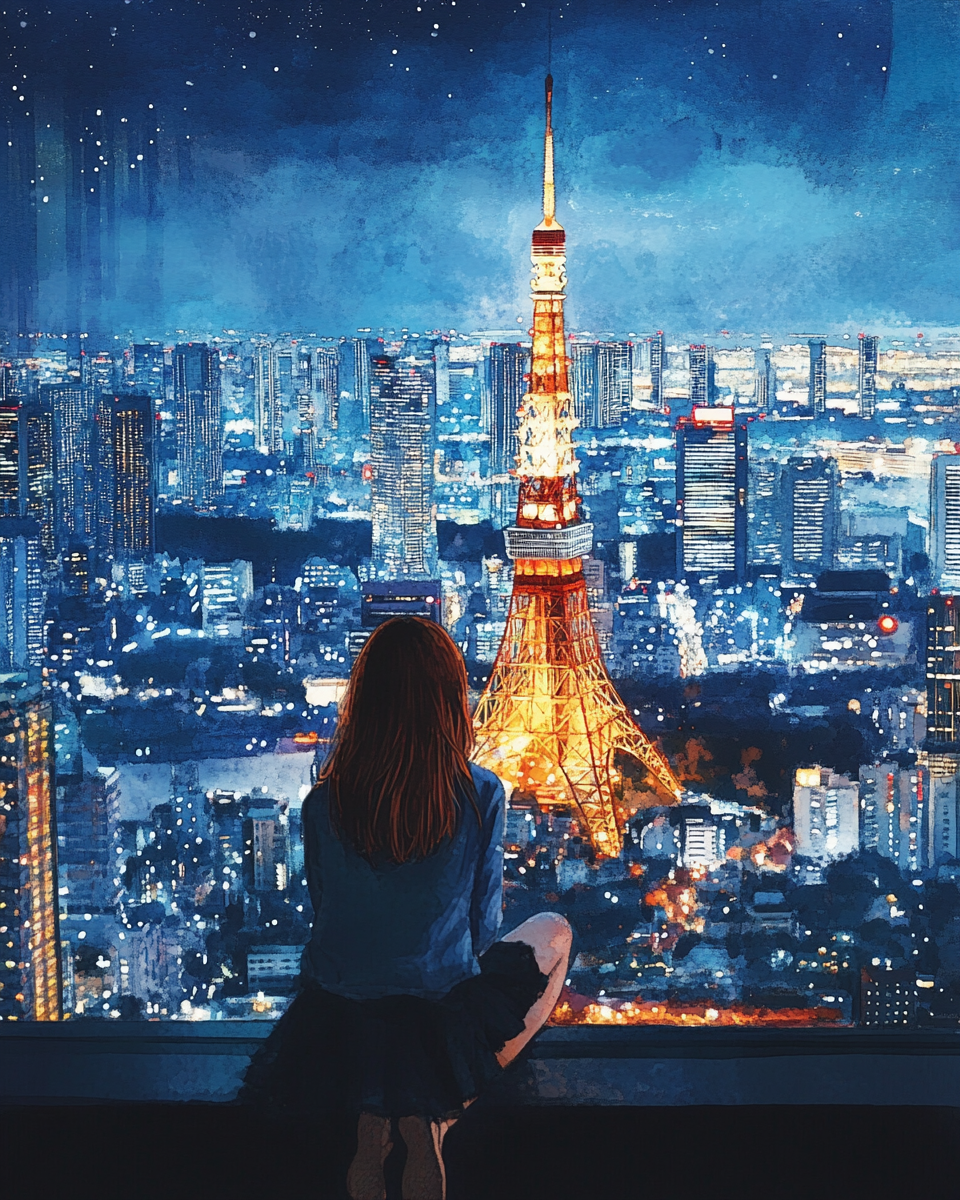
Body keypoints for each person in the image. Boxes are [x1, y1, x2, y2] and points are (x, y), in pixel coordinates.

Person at [241, 616, 573, 1200]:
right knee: (554, 930)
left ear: (363, 700)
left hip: (336, 1018)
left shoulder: (323, 801)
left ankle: (376, 1115)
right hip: (436, 1007)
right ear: (450, 698)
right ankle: (440, 1108)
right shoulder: (481, 791)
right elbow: (483, 927)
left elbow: (329, 915)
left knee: (377, 1048)